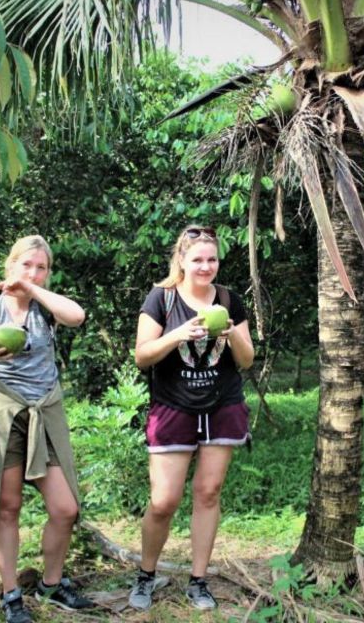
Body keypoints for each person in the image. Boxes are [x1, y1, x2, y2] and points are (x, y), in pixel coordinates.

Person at [0, 235, 94, 623]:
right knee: (8, 508)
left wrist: (34, 290)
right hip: (3, 415)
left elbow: (77, 316)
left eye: (41, 267)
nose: (33, 272)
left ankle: (51, 584)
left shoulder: (45, 307)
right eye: (26, 265)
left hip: (44, 412)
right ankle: (11, 595)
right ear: (10, 265)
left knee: (65, 507)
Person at [129, 225, 254, 612]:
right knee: (164, 500)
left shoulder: (230, 301)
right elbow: (142, 355)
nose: (205, 266)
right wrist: (177, 334)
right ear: (181, 261)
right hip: (173, 406)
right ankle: (146, 574)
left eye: (211, 259)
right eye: (197, 259)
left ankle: (198, 580)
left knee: (208, 493)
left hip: (221, 404)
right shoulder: (161, 299)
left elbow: (247, 359)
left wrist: (231, 333)